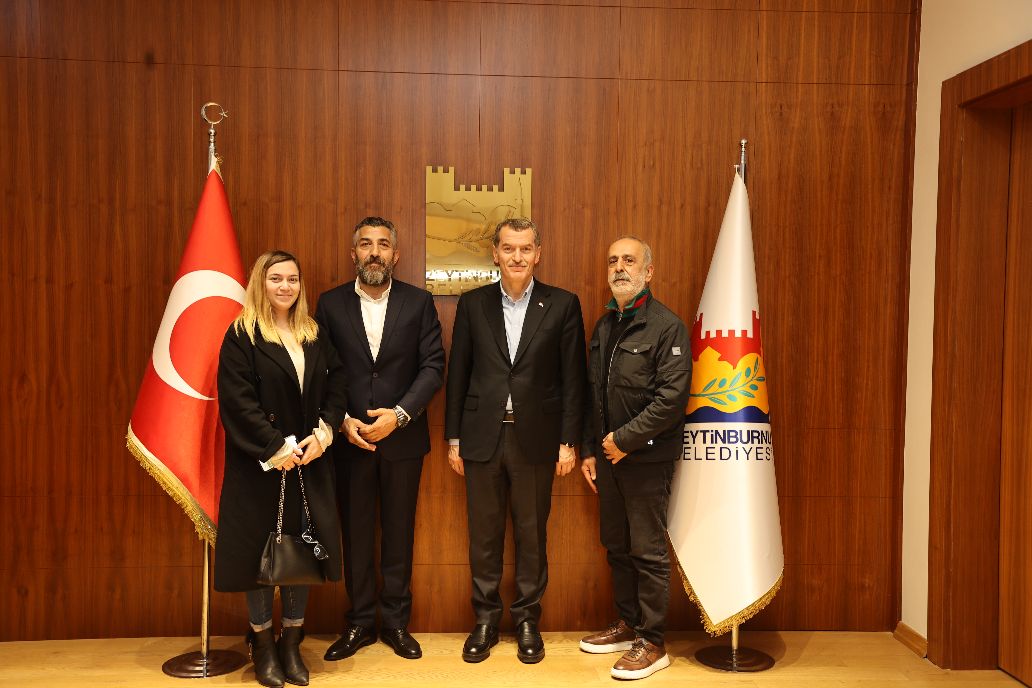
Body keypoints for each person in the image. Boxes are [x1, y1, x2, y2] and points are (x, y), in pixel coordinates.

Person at [445, 217, 586, 664]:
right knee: (483, 536)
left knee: (531, 534)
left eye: (525, 249)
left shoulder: (563, 304)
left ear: (537, 254)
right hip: (481, 438)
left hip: (537, 440)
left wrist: (568, 440)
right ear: (495, 253)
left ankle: (527, 620)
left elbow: (573, 379)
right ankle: (486, 620)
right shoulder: (473, 304)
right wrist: (453, 438)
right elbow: (458, 373)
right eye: (509, 248)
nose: (517, 256)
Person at [215, 250, 348, 688]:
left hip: (308, 463)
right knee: (259, 555)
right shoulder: (242, 335)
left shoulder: (313, 332)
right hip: (261, 466)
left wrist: (324, 433)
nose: (285, 286)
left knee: (299, 551)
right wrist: (276, 447)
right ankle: (262, 643)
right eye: (276, 278)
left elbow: (337, 384)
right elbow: (238, 401)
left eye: (293, 279)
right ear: (261, 283)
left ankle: (291, 641)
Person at [316, 217, 445, 662]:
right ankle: (358, 623)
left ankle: (395, 624)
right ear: (353, 253)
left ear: (396, 254)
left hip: (402, 440)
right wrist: (342, 421)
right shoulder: (330, 304)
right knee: (354, 535)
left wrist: (400, 415)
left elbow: (433, 366)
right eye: (366, 244)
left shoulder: (419, 302)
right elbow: (321, 370)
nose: (375, 252)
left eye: (383, 244)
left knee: (398, 534)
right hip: (350, 441)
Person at [578, 236, 691, 680]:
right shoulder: (605, 325)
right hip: (608, 460)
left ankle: (653, 641)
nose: (619, 268)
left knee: (647, 551)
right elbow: (593, 395)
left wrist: (625, 440)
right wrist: (592, 450)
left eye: (629, 260)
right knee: (617, 546)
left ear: (649, 271)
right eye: (613, 261)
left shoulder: (666, 326)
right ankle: (628, 625)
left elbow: (671, 399)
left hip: (645, 459)